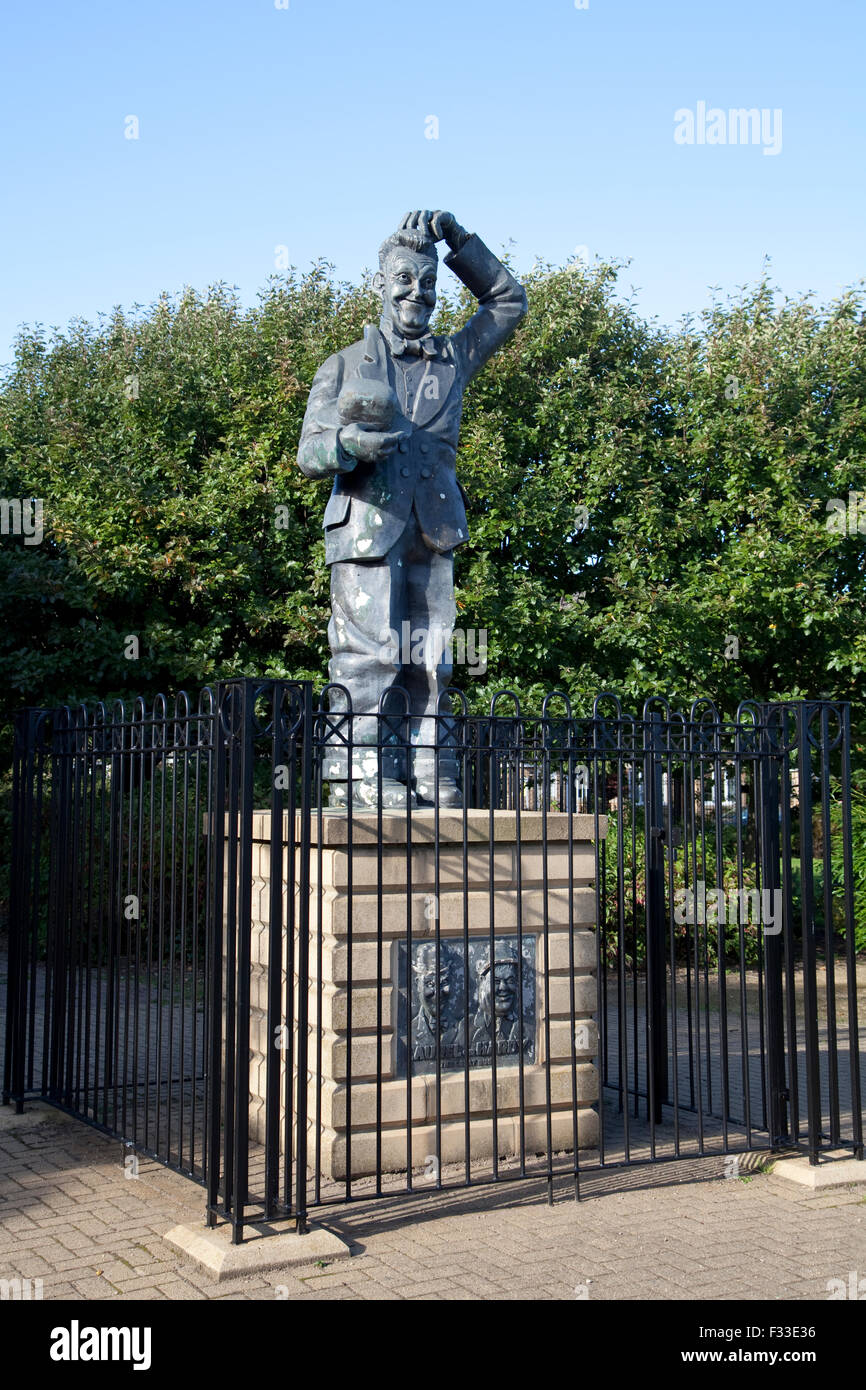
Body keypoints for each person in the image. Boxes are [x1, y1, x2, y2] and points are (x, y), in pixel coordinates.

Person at [298, 210, 527, 807]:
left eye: (427, 282)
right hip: (367, 523)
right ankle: (360, 776)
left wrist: (458, 239)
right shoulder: (344, 364)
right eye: (404, 278)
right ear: (380, 284)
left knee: (434, 655)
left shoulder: (453, 356)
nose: (416, 292)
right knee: (369, 653)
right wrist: (350, 445)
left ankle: (431, 767)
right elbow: (310, 451)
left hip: (434, 524)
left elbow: (508, 303)